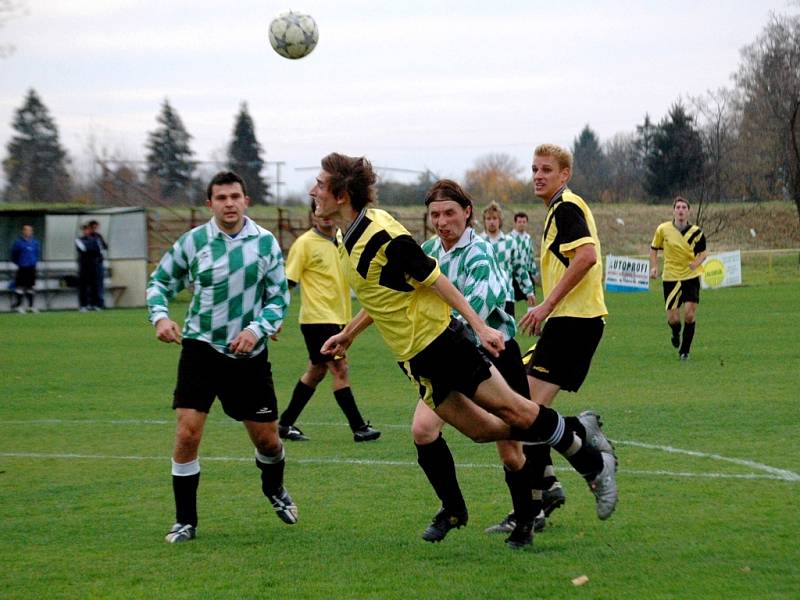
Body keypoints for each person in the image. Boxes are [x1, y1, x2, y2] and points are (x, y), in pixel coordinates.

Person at [314, 152, 618, 547]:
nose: (313, 191)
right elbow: (383, 296)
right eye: (435, 215)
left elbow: (438, 282)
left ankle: (579, 469)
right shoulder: (346, 236)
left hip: (454, 344)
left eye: (320, 184)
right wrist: (349, 334)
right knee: (487, 430)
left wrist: (478, 327)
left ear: (341, 194)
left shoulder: (389, 237)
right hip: (415, 358)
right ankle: (571, 430)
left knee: (515, 422)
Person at [146, 171, 297, 544]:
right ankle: (185, 521)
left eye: (235, 196)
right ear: (209, 204)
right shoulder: (194, 242)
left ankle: (274, 487)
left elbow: (280, 298)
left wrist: (256, 329)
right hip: (200, 348)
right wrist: (160, 316)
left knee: (267, 442)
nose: (229, 203)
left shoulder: (265, 244)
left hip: (248, 355)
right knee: (187, 432)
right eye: (221, 198)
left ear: (246, 200)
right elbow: (160, 281)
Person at [418, 179, 543, 549]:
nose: (442, 221)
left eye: (450, 213)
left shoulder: (481, 255)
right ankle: (453, 509)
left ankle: (525, 521)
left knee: (510, 449)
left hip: (494, 354)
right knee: (424, 429)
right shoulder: (427, 252)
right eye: (435, 215)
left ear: (467, 212)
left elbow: (474, 311)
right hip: (446, 353)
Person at [498, 144, 614, 536]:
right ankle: (544, 490)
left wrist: (545, 305)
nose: (538, 175)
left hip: (574, 322)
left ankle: (583, 440)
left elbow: (587, 256)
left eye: (546, 169)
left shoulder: (566, 206)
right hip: (565, 323)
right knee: (520, 410)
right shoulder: (555, 211)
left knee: (523, 411)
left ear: (564, 175)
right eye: (534, 169)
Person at [278, 199, 381, 443]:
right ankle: (358, 427)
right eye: (317, 210)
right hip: (317, 318)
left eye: (328, 211)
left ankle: (284, 424)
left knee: (316, 371)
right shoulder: (304, 244)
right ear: (313, 215)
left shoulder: (341, 240)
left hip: (340, 318)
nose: (324, 216)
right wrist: (277, 316)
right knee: (339, 368)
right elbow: (287, 284)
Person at [649, 196, 708, 360]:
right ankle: (675, 332)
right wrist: (654, 267)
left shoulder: (696, 232)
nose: (681, 210)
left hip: (691, 276)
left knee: (689, 314)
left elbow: (703, 252)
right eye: (678, 207)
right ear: (673, 211)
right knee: (674, 319)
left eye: (684, 207)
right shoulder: (663, 229)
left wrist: (697, 262)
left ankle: (685, 351)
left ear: (688, 211)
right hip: (670, 278)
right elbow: (654, 249)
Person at [479, 202, 535, 317]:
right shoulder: (478, 242)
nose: (491, 221)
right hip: (483, 298)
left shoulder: (510, 242)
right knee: (484, 334)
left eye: (494, 218)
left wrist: (529, 290)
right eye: (488, 218)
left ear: (500, 220)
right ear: (484, 221)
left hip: (506, 296)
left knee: (508, 335)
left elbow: (520, 269)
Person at [10, 224, 40, 313]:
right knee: (20, 286)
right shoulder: (18, 243)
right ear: (23, 231)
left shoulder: (35, 242)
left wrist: (34, 261)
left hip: (32, 267)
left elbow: (37, 253)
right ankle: (18, 306)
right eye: (27, 230)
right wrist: (19, 262)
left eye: (30, 230)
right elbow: (13, 255)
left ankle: (31, 306)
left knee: (31, 287)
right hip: (23, 267)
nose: (29, 232)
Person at [509, 211, 540, 300]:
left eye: (524, 222)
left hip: (527, 272)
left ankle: (531, 314)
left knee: (531, 298)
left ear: (526, 223)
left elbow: (531, 255)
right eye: (519, 222)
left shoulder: (528, 237)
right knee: (512, 299)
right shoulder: (510, 238)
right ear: (515, 223)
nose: (522, 224)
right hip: (514, 273)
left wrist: (534, 271)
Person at [75, 223, 102, 311]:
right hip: (83, 266)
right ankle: (83, 305)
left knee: (94, 285)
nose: (86, 231)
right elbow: (83, 248)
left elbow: (99, 250)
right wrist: (91, 248)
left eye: (87, 229)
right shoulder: (79, 240)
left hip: (93, 265)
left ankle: (95, 304)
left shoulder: (95, 239)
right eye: (84, 229)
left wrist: (91, 248)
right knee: (83, 286)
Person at [88, 219, 108, 309]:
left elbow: (105, 246)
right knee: (92, 284)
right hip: (90, 264)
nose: (95, 229)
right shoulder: (88, 237)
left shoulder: (98, 236)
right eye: (94, 227)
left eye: (96, 227)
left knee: (99, 284)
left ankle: (100, 303)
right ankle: (92, 303)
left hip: (99, 262)